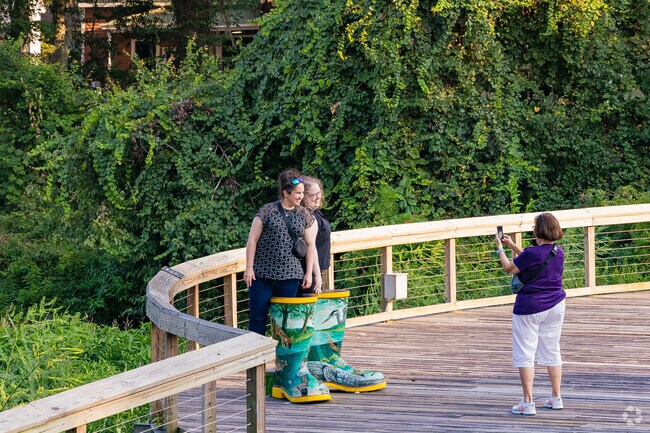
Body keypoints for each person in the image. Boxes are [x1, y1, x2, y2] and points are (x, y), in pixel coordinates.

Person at [495, 212, 566, 416]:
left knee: (525, 352)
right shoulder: (558, 251)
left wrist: (501, 248)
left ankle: (528, 401)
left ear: (537, 230)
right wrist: (512, 246)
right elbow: (532, 258)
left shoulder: (531, 254)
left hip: (529, 307)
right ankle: (556, 397)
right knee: (552, 350)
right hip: (555, 305)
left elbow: (510, 268)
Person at [244, 169, 318, 335]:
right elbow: (252, 240)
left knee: (288, 322)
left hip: (290, 276)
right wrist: (249, 267)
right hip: (262, 275)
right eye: (297, 193)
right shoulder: (267, 211)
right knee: (257, 319)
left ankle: (286, 359)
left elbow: (310, 244)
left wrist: (308, 273)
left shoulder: (303, 214)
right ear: (285, 192)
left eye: (302, 192)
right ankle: (257, 358)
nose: (301, 196)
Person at [299, 176, 330, 296]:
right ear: (304, 196)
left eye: (319, 193)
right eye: (313, 195)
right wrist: (316, 274)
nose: (318, 197)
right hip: (307, 271)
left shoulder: (314, 214)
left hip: (312, 269)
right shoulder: (308, 217)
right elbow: (310, 246)